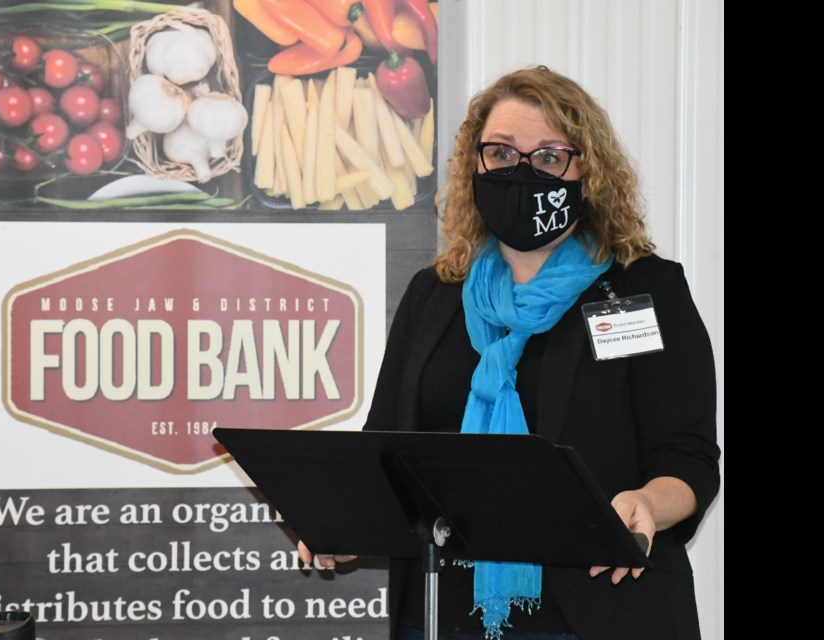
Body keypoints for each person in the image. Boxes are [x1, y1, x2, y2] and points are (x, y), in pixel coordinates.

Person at [300, 66, 720, 640]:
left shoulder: (640, 290)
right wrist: (344, 521)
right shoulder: (436, 292)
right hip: (443, 612)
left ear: (587, 172)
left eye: (548, 157)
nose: (521, 173)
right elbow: (387, 445)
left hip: (603, 611)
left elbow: (688, 456)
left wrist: (649, 502)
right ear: (475, 166)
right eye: (500, 154)